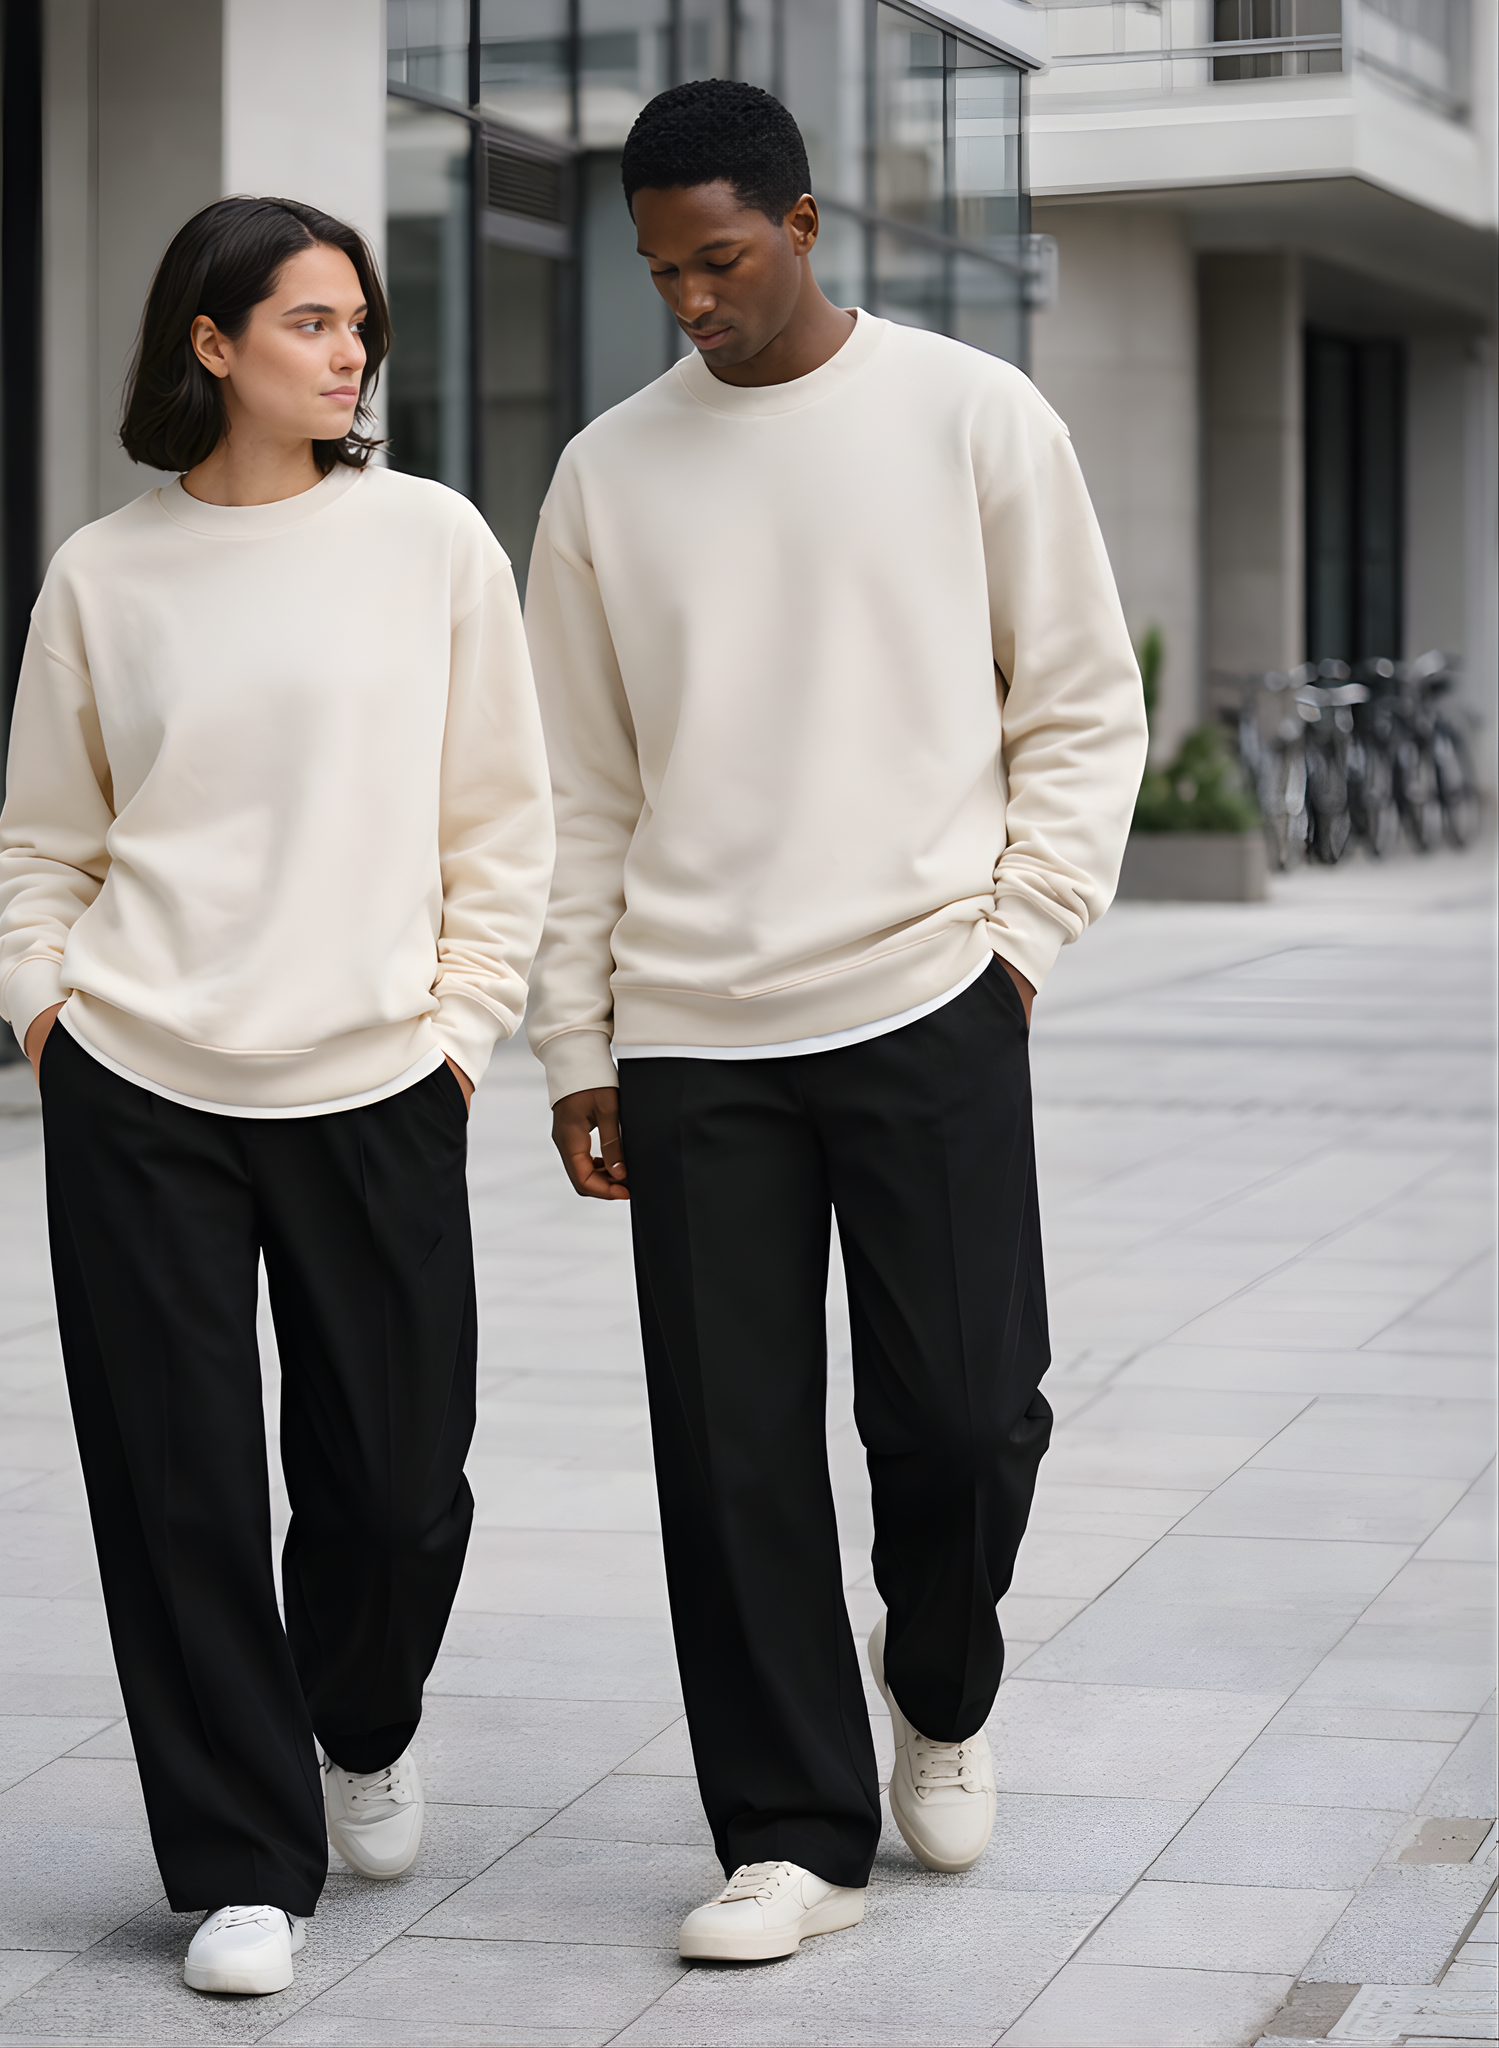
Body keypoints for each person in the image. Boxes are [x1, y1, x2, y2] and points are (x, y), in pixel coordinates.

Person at [524, 81, 1145, 1962]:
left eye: (718, 260)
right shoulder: (607, 475)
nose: (691, 301)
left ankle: (938, 1684)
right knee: (728, 1453)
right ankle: (787, 1831)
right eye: (660, 272)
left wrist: (1016, 945)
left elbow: (1081, 704)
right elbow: (579, 786)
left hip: (925, 991)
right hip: (697, 1025)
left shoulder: (973, 415)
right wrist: (581, 1041)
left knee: (967, 1421)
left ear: (805, 225)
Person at [0, 195, 553, 1997]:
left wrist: (465, 1030)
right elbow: (44, 845)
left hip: (379, 1071)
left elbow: (499, 820)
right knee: (179, 1492)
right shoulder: (106, 573)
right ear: (213, 344)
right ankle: (241, 1860)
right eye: (312, 321)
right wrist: (44, 1013)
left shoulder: (433, 543)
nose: (352, 349)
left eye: (360, 324)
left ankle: (359, 1721)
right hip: (138, 1074)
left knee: (397, 1489)